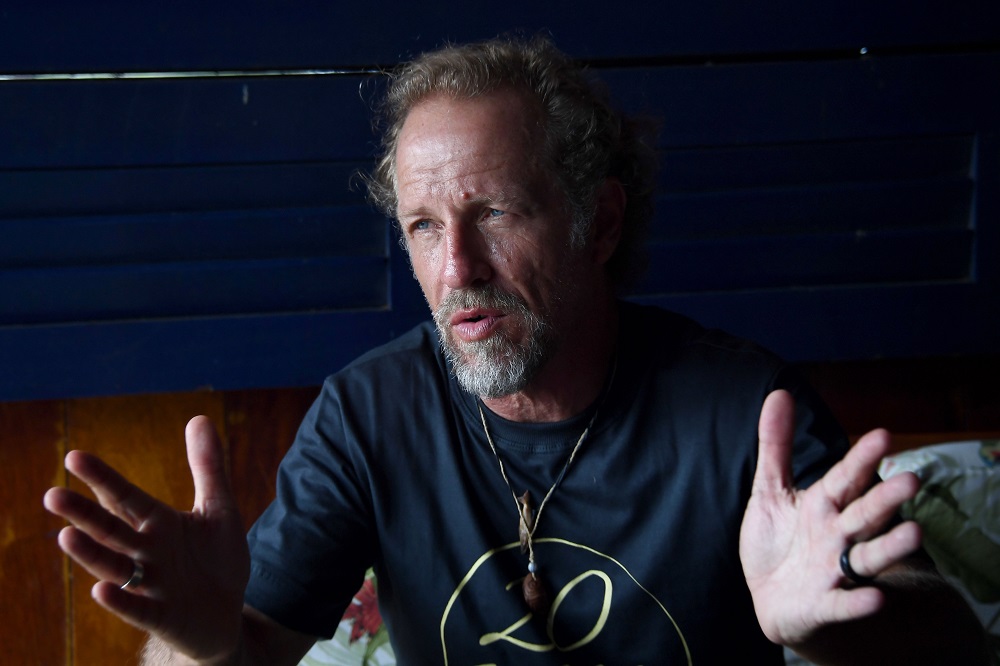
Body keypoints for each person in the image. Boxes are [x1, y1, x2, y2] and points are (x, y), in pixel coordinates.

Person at [44, 35, 988, 665]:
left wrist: (831, 630)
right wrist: (203, 643)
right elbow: (241, 650)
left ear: (600, 219)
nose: (457, 268)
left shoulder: (744, 411)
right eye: (421, 225)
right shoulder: (369, 415)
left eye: (494, 211)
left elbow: (952, 640)